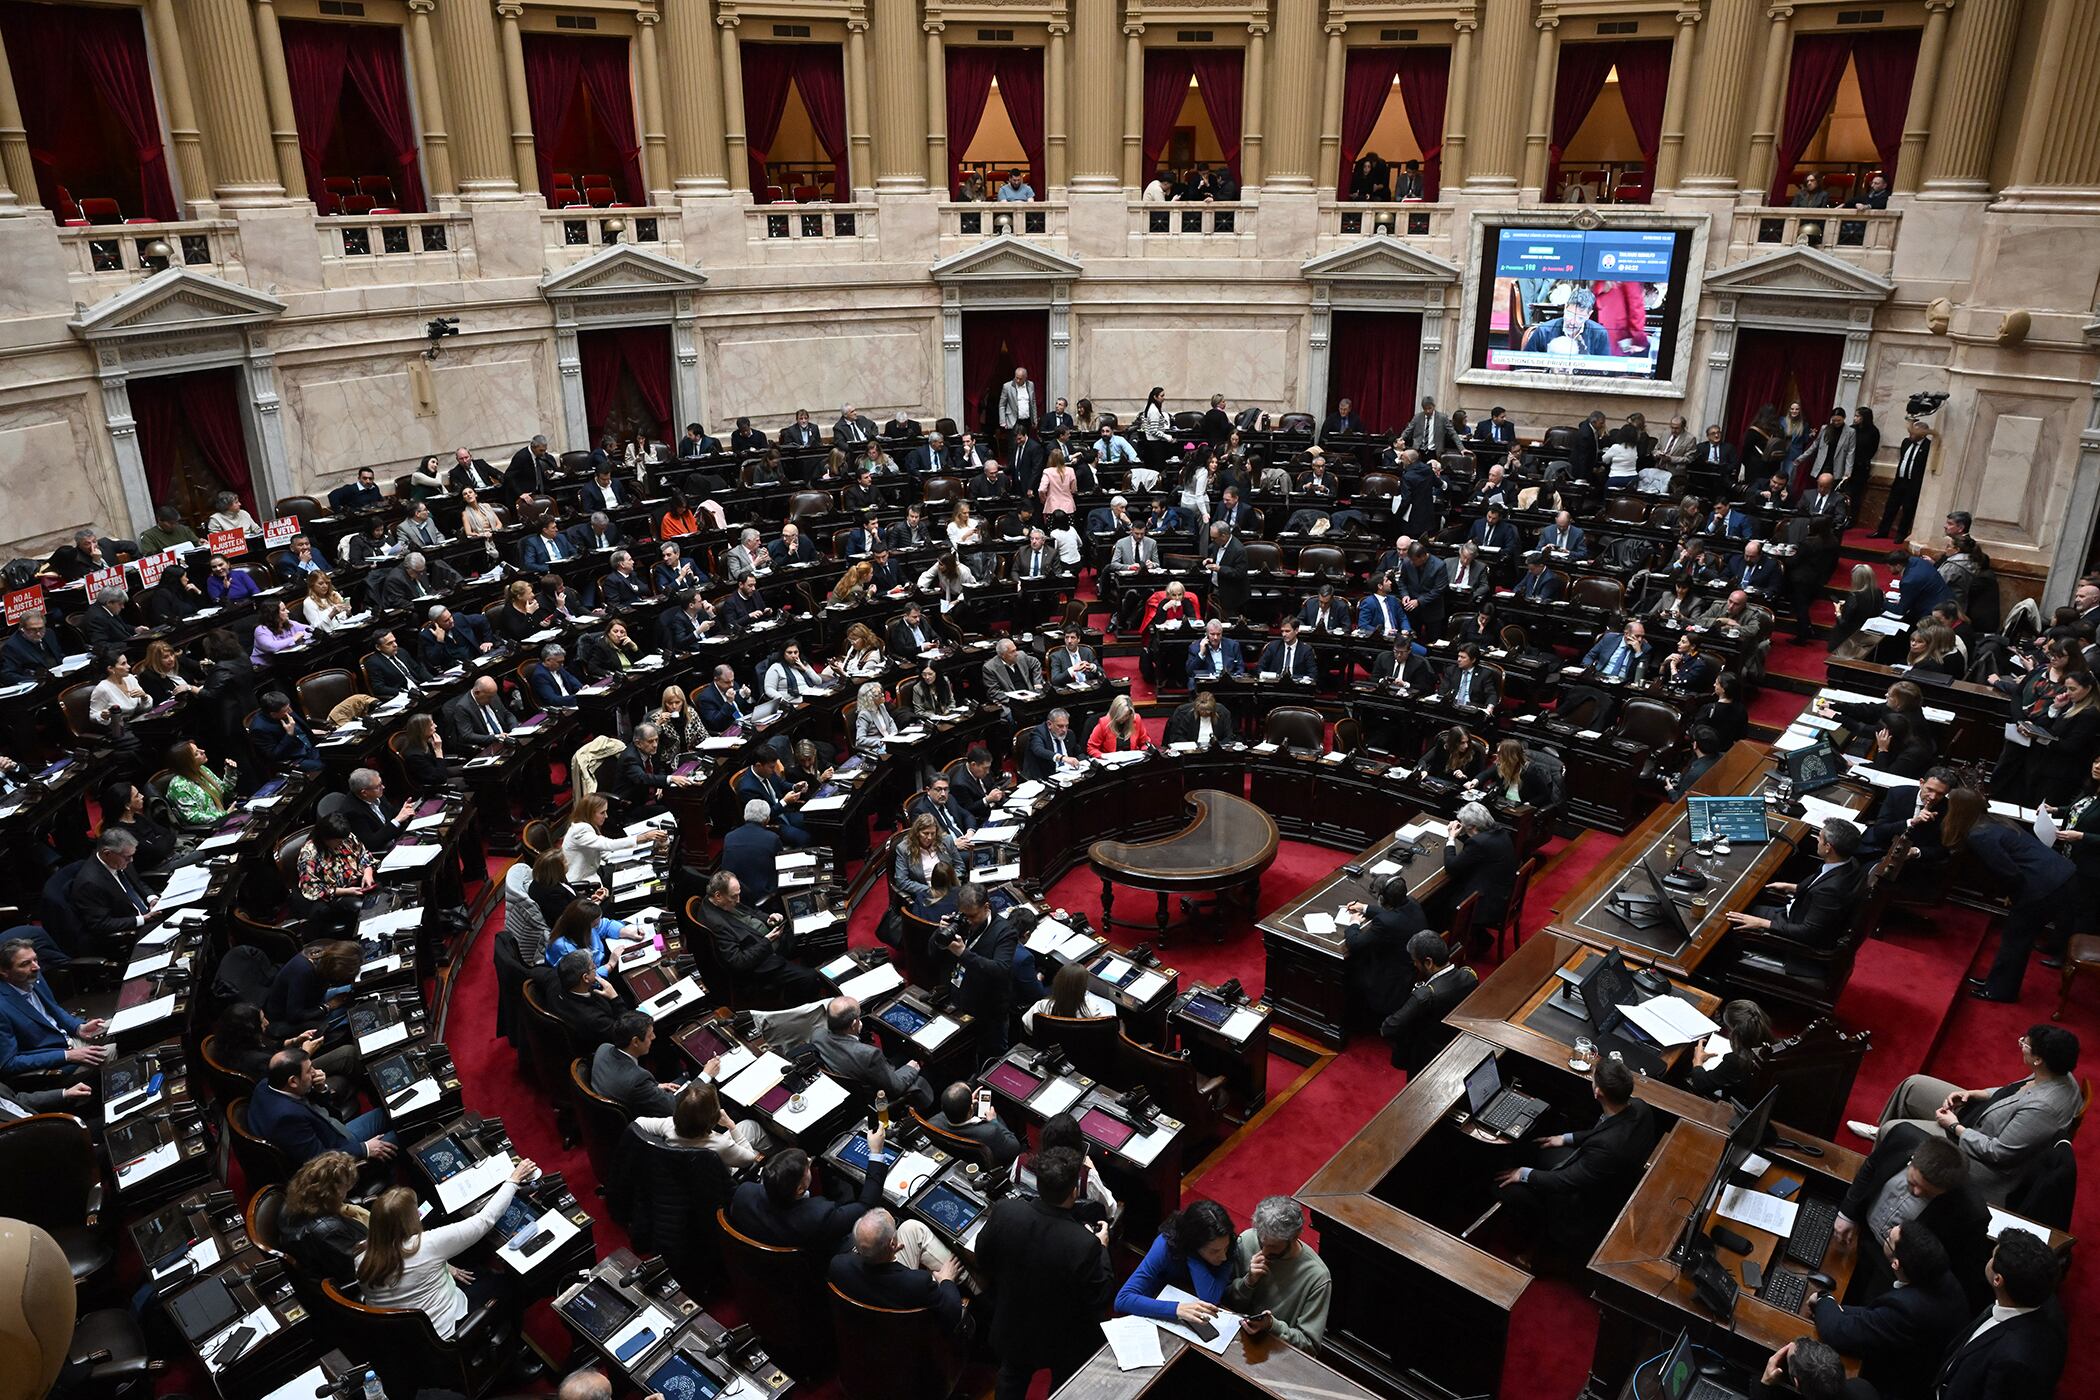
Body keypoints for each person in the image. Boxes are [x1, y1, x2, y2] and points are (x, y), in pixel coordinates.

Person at [1855, 1025, 2081, 1205]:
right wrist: (1975, 1094)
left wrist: (1954, 1127)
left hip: (1980, 1155)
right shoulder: (2056, 1071)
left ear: (2038, 1059)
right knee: (1912, 1086)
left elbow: (1998, 1152)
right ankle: (1889, 1148)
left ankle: (1875, 1179)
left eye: (2025, 1044)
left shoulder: (2043, 1108)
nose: (2020, 1044)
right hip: (1983, 1116)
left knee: (1894, 1130)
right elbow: (2013, 1091)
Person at [977, 1145, 1114, 1399]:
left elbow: (983, 1256)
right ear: (1074, 1191)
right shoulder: (1084, 1244)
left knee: (1010, 1379)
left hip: (1012, 1323)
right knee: (1063, 1384)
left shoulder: (1006, 1211)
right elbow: (1101, 1295)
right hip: (1061, 1340)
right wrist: (1102, 1247)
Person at [1492, 1057, 1658, 1259]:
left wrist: (1522, 1173)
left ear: (1598, 1092)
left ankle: (1533, 1233)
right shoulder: (1640, 1107)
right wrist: (1564, 1139)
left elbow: (1563, 1182)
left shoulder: (1607, 1149)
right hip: (1604, 1175)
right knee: (1537, 1148)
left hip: (1582, 1205)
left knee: (1504, 1188)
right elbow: (1603, 1130)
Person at [356, 1159, 537, 1338]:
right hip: (443, 1332)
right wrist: (514, 1180)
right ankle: (512, 1342)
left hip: (401, 1336)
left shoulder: (361, 1256)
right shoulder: (426, 1244)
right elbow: (484, 1221)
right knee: (511, 1283)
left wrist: (445, 1266)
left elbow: (409, 1269)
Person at [1934, 789, 2081, 1000]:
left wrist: (2012, 894)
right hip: (2060, 877)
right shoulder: (1994, 820)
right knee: (2017, 937)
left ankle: (2000, 991)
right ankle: (1997, 984)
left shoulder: (1979, 834)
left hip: (2044, 885)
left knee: (2016, 938)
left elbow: (2008, 872)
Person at [1832, 1133, 1989, 1308]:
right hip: (1860, 1234)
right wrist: (1847, 1214)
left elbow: (1958, 1268)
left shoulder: (1971, 1212)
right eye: (1913, 1183)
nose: (1916, 1193)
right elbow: (1871, 1166)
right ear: (1912, 1160)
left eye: (1927, 1193)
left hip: (1894, 1270)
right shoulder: (1902, 1137)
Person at [1930, 1230, 2067, 1399]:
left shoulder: (2013, 1361)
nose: (1989, 1259)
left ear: (1998, 1280)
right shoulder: (2033, 1294)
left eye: (1992, 1257)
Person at [1723, 817, 1866, 950]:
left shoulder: (1830, 891)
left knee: (1726, 921)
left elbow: (1808, 932)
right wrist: (1792, 887)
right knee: (1746, 903)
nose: (1817, 839)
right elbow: (1818, 888)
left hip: (1792, 936)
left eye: (1820, 837)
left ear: (1828, 847)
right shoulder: (1849, 863)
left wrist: (1761, 923)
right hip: (1794, 912)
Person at [697, 872, 834, 1008]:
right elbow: (737, 962)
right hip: (761, 961)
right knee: (809, 977)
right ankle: (793, 1003)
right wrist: (768, 941)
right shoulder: (716, 923)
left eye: (738, 894)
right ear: (718, 895)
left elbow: (752, 912)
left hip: (768, 938)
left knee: (809, 928)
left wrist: (768, 919)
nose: (738, 900)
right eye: (734, 896)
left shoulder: (724, 900)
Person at [730, 1136, 890, 1253]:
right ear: (800, 1189)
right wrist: (876, 1153)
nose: (808, 1160)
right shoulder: (818, 1216)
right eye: (806, 1167)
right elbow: (866, 1205)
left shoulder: (744, 1193)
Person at [248, 1048, 397, 1168]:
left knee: (390, 1111)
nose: (315, 1072)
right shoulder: (287, 1118)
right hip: (340, 1158)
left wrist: (320, 1089)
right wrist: (365, 1149)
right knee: (402, 1134)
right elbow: (319, 1160)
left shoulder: (265, 1085)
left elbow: (323, 1112)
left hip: (334, 1133)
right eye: (309, 1070)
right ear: (293, 1081)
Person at [1223, 1197, 1331, 1350]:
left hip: (1274, 1350)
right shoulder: (1247, 1239)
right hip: (1232, 1335)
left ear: (1294, 1238)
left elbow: (1309, 1345)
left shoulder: (1317, 1277)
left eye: (1273, 1246)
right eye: (1261, 1242)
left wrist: (1272, 1326)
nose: (1264, 1252)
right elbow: (1224, 1300)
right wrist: (1248, 1282)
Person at [1115, 1199, 1238, 1327]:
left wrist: (1193, 1255)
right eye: (1214, 1251)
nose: (1223, 1257)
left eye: (1225, 1248)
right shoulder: (1165, 1245)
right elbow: (1123, 1299)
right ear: (1194, 1243)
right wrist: (1176, 1309)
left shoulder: (1227, 1246)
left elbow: (1210, 1297)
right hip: (1161, 1302)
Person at [0, 937, 110, 1079]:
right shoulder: (3, 1007)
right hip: (55, 1062)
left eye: (35, 960)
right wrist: (67, 1055)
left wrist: (78, 1027)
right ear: (4, 971)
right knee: (113, 1051)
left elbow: (54, 1009)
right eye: (25, 964)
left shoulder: (33, 977)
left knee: (122, 1027)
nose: (36, 967)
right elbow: (9, 1063)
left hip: (70, 1038)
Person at [1379, 932, 1477, 1075]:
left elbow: (1390, 1027)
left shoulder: (1426, 996)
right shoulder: (1469, 976)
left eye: (1415, 961)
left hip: (1425, 1060)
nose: (1415, 964)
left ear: (1428, 963)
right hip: (1457, 1050)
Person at [278, 1151, 369, 1285]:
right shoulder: (329, 1230)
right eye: (346, 1187)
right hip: (350, 1282)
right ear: (333, 1192)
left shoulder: (295, 1200)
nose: (347, 1191)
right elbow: (358, 1270)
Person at [636, 1078, 770, 1167]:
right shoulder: (721, 1144)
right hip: (716, 1176)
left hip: (681, 1168)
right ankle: (775, 1157)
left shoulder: (668, 1124)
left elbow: (638, 1123)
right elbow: (749, 1159)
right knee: (752, 1127)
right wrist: (731, 1125)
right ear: (713, 1118)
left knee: (748, 1127)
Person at [590, 1011, 680, 1118]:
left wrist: (656, 1087)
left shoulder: (604, 1049)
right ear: (636, 1042)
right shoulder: (637, 1080)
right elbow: (672, 1108)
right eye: (650, 1035)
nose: (654, 1037)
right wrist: (700, 1082)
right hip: (634, 1119)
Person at [1443, 802, 1516, 931]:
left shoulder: (1478, 843)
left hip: (1487, 904)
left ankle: (1459, 934)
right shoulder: (1501, 832)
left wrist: (1451, 838)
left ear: (1472, 826)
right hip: (1503, 893)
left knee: (1441, 900)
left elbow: (1451, 867)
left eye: (1463, 824)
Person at [1685, 998, 1772, 1102]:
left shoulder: (1736, 1061)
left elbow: (1703, 1085)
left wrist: (1697, 1061)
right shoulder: (1775, 1043)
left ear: (1735, 1033)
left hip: (1739, 1101)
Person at [931, 1079, 1022, 1166]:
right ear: (971, 1109)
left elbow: (954, 1107)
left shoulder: (933, 1124)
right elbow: (1015, 1149)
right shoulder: (990, 1132)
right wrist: (994, 1121)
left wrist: (966, 1104)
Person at [1023, 959, 1115, 1033]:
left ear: (1056, 982)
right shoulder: (1092, 1011)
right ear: (1083, 987)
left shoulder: (1041, 1006)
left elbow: (1028, 1029)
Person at [1086, 695, 1153, 755]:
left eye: (1127, 715)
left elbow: (1145, 743)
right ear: (1114, 713)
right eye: (1121, 716)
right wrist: (1104, 757)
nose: (1124, 719)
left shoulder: (1136, 719)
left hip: (1132, 760)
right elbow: (1091, 748)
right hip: (1112, 762)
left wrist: (1144, 751)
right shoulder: (1104, 723)